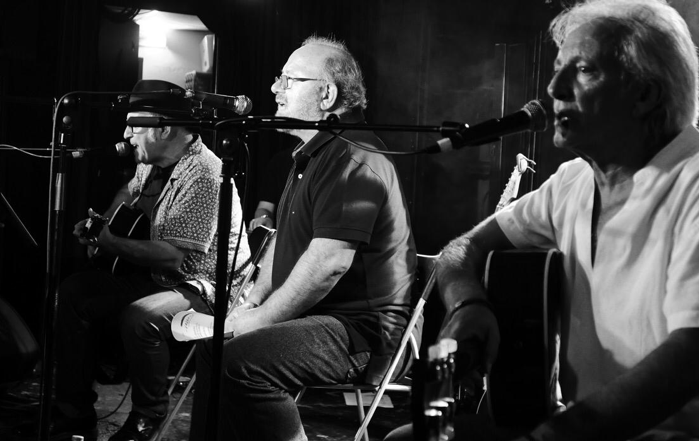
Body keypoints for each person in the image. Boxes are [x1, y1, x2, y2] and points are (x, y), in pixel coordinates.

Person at [392, 0, 699, 440]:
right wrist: (468, 304)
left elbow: (690, 356)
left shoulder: (693, 183)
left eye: (584, 70)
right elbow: (459, 251)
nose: (554, 87)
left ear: (645, 94)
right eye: (557, 69)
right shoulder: (572, 182)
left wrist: (553, 435)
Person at [189, 35, 417, 441]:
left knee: (240, 361)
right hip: (322, 317)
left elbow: (330, 262)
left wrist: (260, 320)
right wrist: (256, 300)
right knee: (214, 350)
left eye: (290, 79)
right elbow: (284, 238)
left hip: (361, 332)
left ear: (327, 95)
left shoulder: (353, 156)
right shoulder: (312, 155)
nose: (275, 88)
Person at [16, 79, 251, 441]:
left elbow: (173, 257)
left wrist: (110, 243)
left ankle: (147, 418)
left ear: (165, 128)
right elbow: (130, 193)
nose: (126, 135)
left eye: (133, 126)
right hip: (160, 277)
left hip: (205, 287)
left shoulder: (205, 173)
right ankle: (73, 414)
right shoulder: (153, 162)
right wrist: (103, 224)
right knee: (73, 293)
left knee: (141, 317)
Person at [247, 146, 294, 233]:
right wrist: (264, 218)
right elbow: (265, 207)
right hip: (281, 236)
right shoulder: (281, 160)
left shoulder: (320, 161)